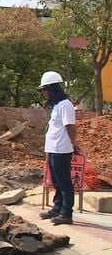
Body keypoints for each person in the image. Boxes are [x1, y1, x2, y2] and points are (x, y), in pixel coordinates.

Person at [38, 71, 80, 225]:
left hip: (62, 150)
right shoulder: (56, 106)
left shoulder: (65, 105)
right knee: (56, 181)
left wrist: (73, 144)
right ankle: (57, 208)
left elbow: (70, 126)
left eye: (44, 89)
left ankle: (66, 213)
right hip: (54, 149)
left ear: (52, 88)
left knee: (64, 182)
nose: (43, 93)